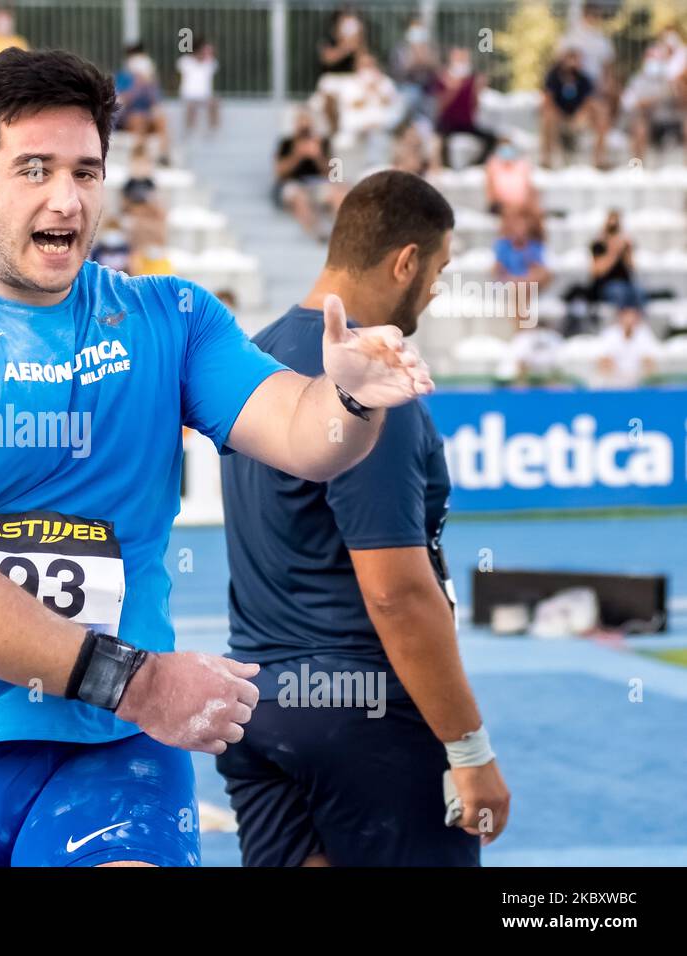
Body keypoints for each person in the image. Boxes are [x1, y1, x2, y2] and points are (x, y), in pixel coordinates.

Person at [0, 48, 433, 868]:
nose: (67, 198)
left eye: (86, 172)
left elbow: (305, 437)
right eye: (34, 169)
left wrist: (345, 397)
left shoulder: (167, 316)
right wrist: (141, 681)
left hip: (112, 753)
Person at [218, 170, 510, 867]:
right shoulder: (372, 381)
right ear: (404, 260)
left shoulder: (247, 357)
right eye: (438, 268)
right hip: (365, 714)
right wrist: (469, 750)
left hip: (258, 706)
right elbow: (396, 590)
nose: (438, 288)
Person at [274, 109, 346, 242]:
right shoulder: (286, 143)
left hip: (318, 183)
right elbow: (279, 172)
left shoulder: (323, 143)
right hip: (293, 183)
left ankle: (343, 232)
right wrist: (298, 155)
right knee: (298, 196)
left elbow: (334, 173)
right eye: (301, 122)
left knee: (338, 193)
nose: (304, 126)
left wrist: (317, 156)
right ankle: (317, 233)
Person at [541, 44, 609, 168]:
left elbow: (589, 101)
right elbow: (548, 100)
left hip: (580, 117)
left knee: (601, 114)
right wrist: (561, 117)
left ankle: (599, 160)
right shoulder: (553, 76)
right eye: (570, 58)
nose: (572, 63)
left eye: (576, 59)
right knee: (547, 117)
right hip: (558, 116)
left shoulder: (584, 79)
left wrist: (579, 117)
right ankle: (546, 160)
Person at [432, 48, 495, 168]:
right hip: (447, 123)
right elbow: (440, 106)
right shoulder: (443, 78)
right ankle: (443, 167)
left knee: (490, 139)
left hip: (466, 123)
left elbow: (475, 106)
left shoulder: (471, 79)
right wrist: (453, 88)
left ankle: (477, 165)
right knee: (439, 140)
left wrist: (478, 89)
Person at [589, 209, 644, 311]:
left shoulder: (624, 244)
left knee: (639, 292)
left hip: (625, 283)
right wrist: (613, 252)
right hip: (606, 285)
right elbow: (596, 272)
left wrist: (627, 252)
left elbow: (632, 267)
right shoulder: (598, 245)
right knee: (619, 292)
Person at [595, 304, 660, 387]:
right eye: (627, 315)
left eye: (633, 315)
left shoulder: (644, 334)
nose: (630, 319)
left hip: (638, 382)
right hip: (614, 383)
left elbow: (650, 361)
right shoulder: (610, 334)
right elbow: (604, 361)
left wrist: (643, 379)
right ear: (620, 317)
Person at [177, 39, 219, 134]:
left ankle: (213, 130)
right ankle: (188, 130)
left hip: (205, 96)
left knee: (215, 104)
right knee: (191, 107)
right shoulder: (186, 61)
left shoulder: (210, 63)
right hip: (189, 95)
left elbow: (212, 64)